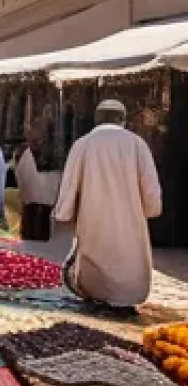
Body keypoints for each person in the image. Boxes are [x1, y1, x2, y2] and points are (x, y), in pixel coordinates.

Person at [54, 99, 162, 308]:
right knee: (129, 256)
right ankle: (128, 295)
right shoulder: (136, 144)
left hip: (93, 215)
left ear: (97, 119)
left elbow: (69, 183)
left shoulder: (84, 143)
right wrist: (150, 209)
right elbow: (151, 186)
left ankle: (97, 293)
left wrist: (64, 212)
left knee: (95, 256)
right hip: (129, 218)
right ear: (122, 120)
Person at [13, 126, 60, 242]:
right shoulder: (52, 150)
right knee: (39, 217)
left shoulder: (27, 150)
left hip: (35, 194)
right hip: (46, 194)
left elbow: (20, 170)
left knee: (34, 217)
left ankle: (33, 238)